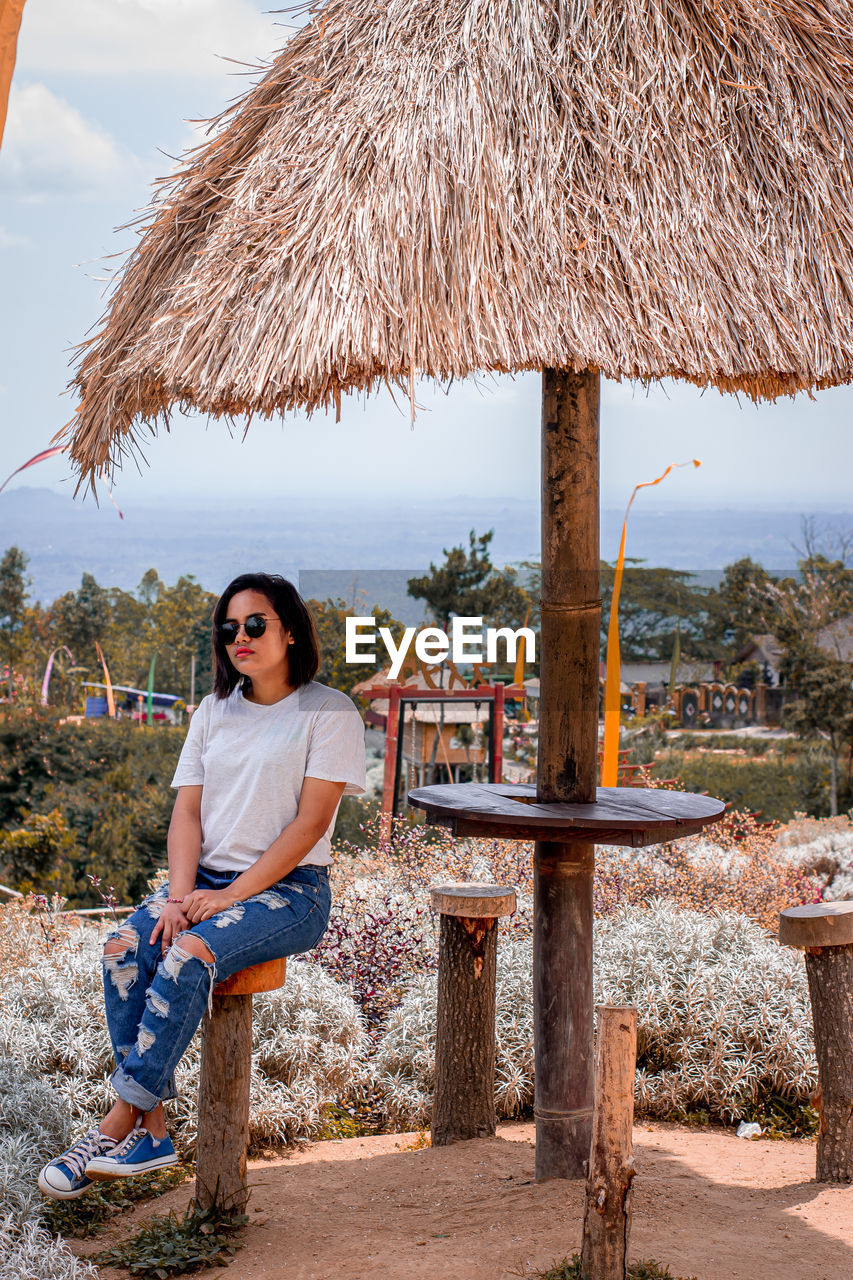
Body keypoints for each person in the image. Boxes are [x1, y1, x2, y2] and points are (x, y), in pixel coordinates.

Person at [39, 573, 365, 1198]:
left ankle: (117, 1122)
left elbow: (310, 825)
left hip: (290, 893)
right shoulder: (214, 711)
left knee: (188, 954)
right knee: (123, 949)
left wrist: (226, 898)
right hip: (205, 883)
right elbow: (187, 813)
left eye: (255, 624)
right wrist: (174, 898)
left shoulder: (328, 710)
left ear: (290, 630)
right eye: (229, 628)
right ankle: (153, 1128)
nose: (239, 637)